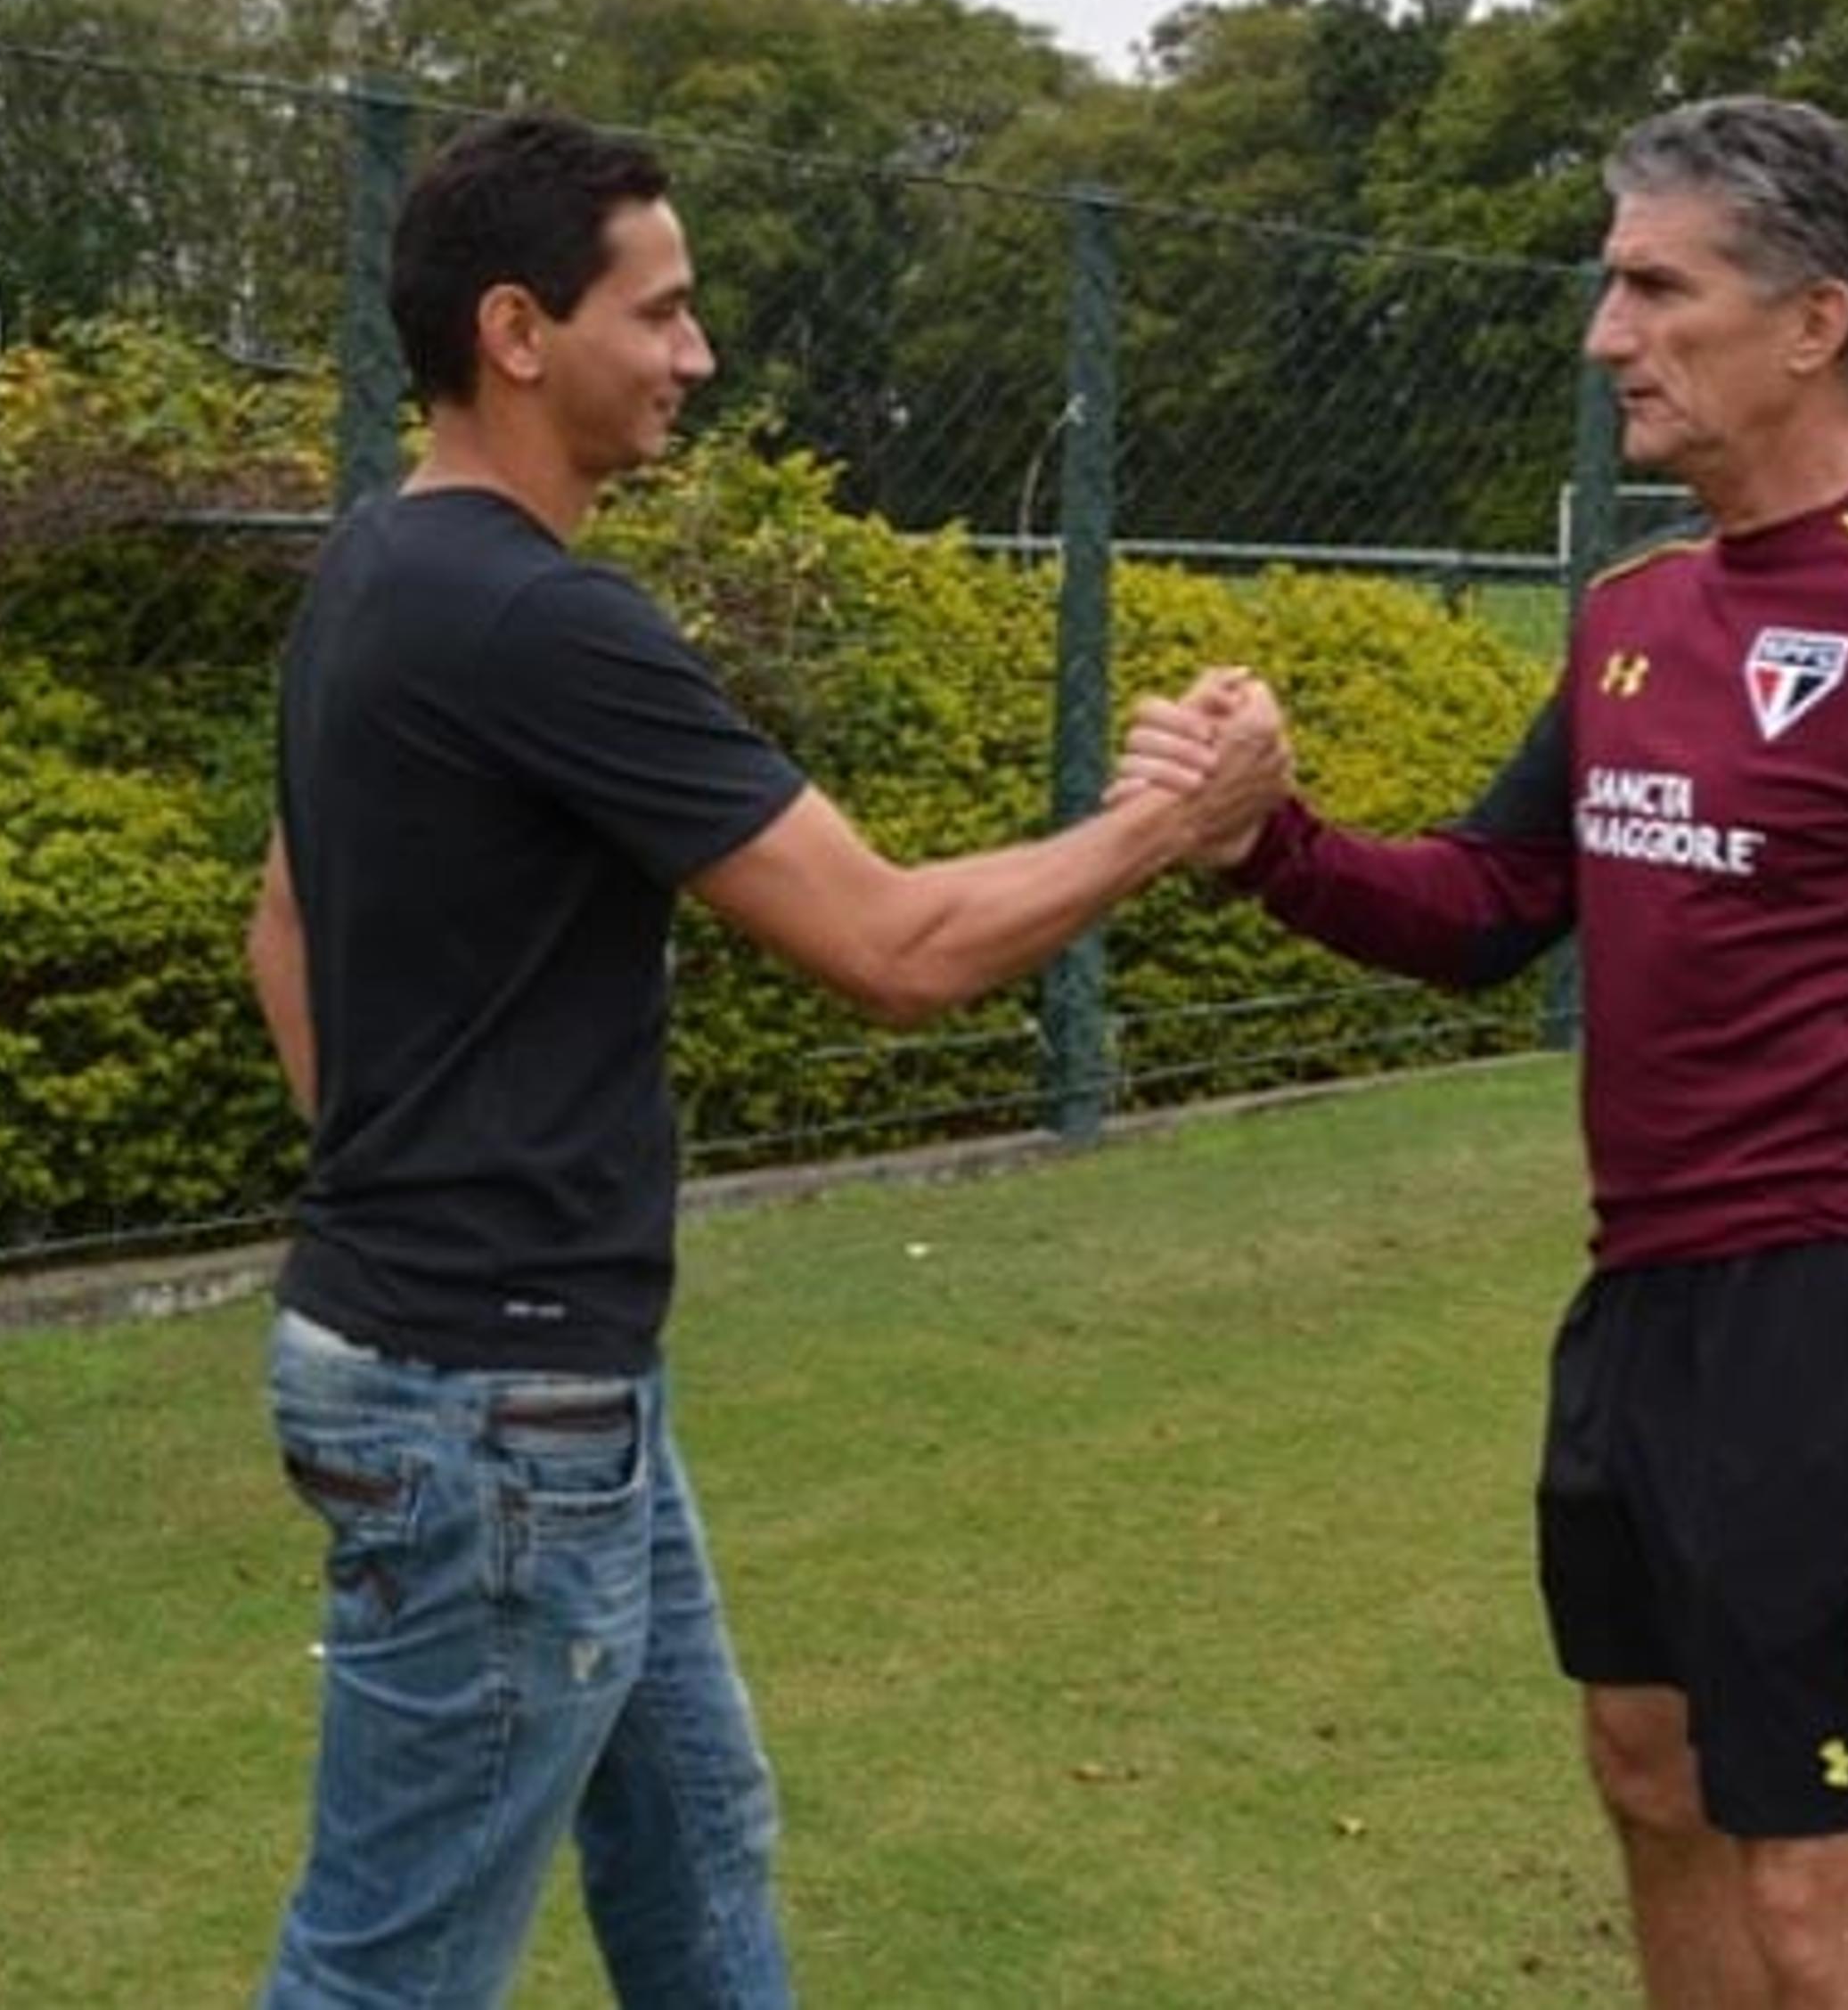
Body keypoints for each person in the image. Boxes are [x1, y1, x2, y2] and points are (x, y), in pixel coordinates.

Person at [1123, 95, 1848, 2007]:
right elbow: (1487, 901)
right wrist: (1259, 841)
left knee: (1821, 1886)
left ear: (1813, 321)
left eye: (1653, 287)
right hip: (1645, 1301)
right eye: (1610, 285)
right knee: (1652, 1776)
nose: (1607, 333)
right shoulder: (1635, 610)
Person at [241, 110, 1284, 2010]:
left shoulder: (378, 569)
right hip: (496, 1407)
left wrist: (409, 1225)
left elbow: (281, 933)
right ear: (516, 329)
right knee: (386, 1962)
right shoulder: (544, 618)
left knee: (696, 1836)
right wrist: (1169, 818)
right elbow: (891, 948)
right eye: (663, 308)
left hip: (493, 1370)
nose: (698, 355)